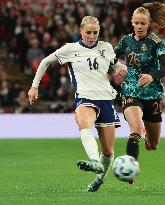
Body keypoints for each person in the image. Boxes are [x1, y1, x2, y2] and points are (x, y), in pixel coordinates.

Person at [28, 16, 127, 192]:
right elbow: (45, 62)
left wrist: (120, 67)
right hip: (85, 97)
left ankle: (99, 179)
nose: (92, 36)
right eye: (88, 32)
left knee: (108, 152)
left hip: (106, 99)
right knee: (84, 124)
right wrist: (34, 86)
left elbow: (113, 65)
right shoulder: (70, 49)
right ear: (81, 31)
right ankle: (94, 161)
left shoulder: (106, 47)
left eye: (95, 33)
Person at [114, 2, 165, 182]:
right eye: (136, 23)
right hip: (130, 91)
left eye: (142, 24)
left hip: (152, 95)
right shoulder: (125, 41)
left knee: (153, 145)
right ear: (132, 22)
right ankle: (131, 169)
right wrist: (118, 65)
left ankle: (148, 139)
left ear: (149, 24)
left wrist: (152, 76)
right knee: (135, 129)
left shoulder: (156, 43)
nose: (139, 26)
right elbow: (111, 58)